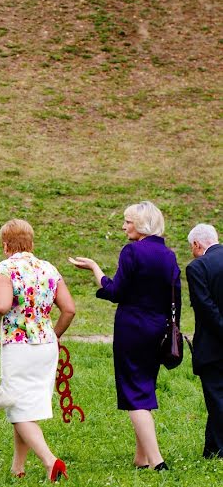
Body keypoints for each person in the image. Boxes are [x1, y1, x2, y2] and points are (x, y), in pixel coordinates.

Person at [70, 201, 180, 471]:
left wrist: (96, 270)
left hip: (132, 327)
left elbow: (116, 291)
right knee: (144, 387)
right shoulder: (168, 254)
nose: (123, 226)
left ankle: (156, 461)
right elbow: (174, 294)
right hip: (158, 328)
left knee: (135, 394)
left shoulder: (132, 252)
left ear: (142, 224)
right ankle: (141, 458)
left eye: (127, 221)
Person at [0, 219, 76, 482]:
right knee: (26, 407)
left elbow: (2, 305)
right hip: (46, 346)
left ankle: (50, 461)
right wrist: (52, 335)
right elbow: (69, 309)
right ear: (30, 242)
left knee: (17, 409)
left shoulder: (5, 268)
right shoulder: (49, 269)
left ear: (5, 244)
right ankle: (17, 467)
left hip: (18, 347)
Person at [185, 224, 223, 459]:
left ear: (197, 245)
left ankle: (218, 452)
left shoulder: (197, 267)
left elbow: (205, 307)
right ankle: (212, 449)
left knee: (217, 397)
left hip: (213, 344)